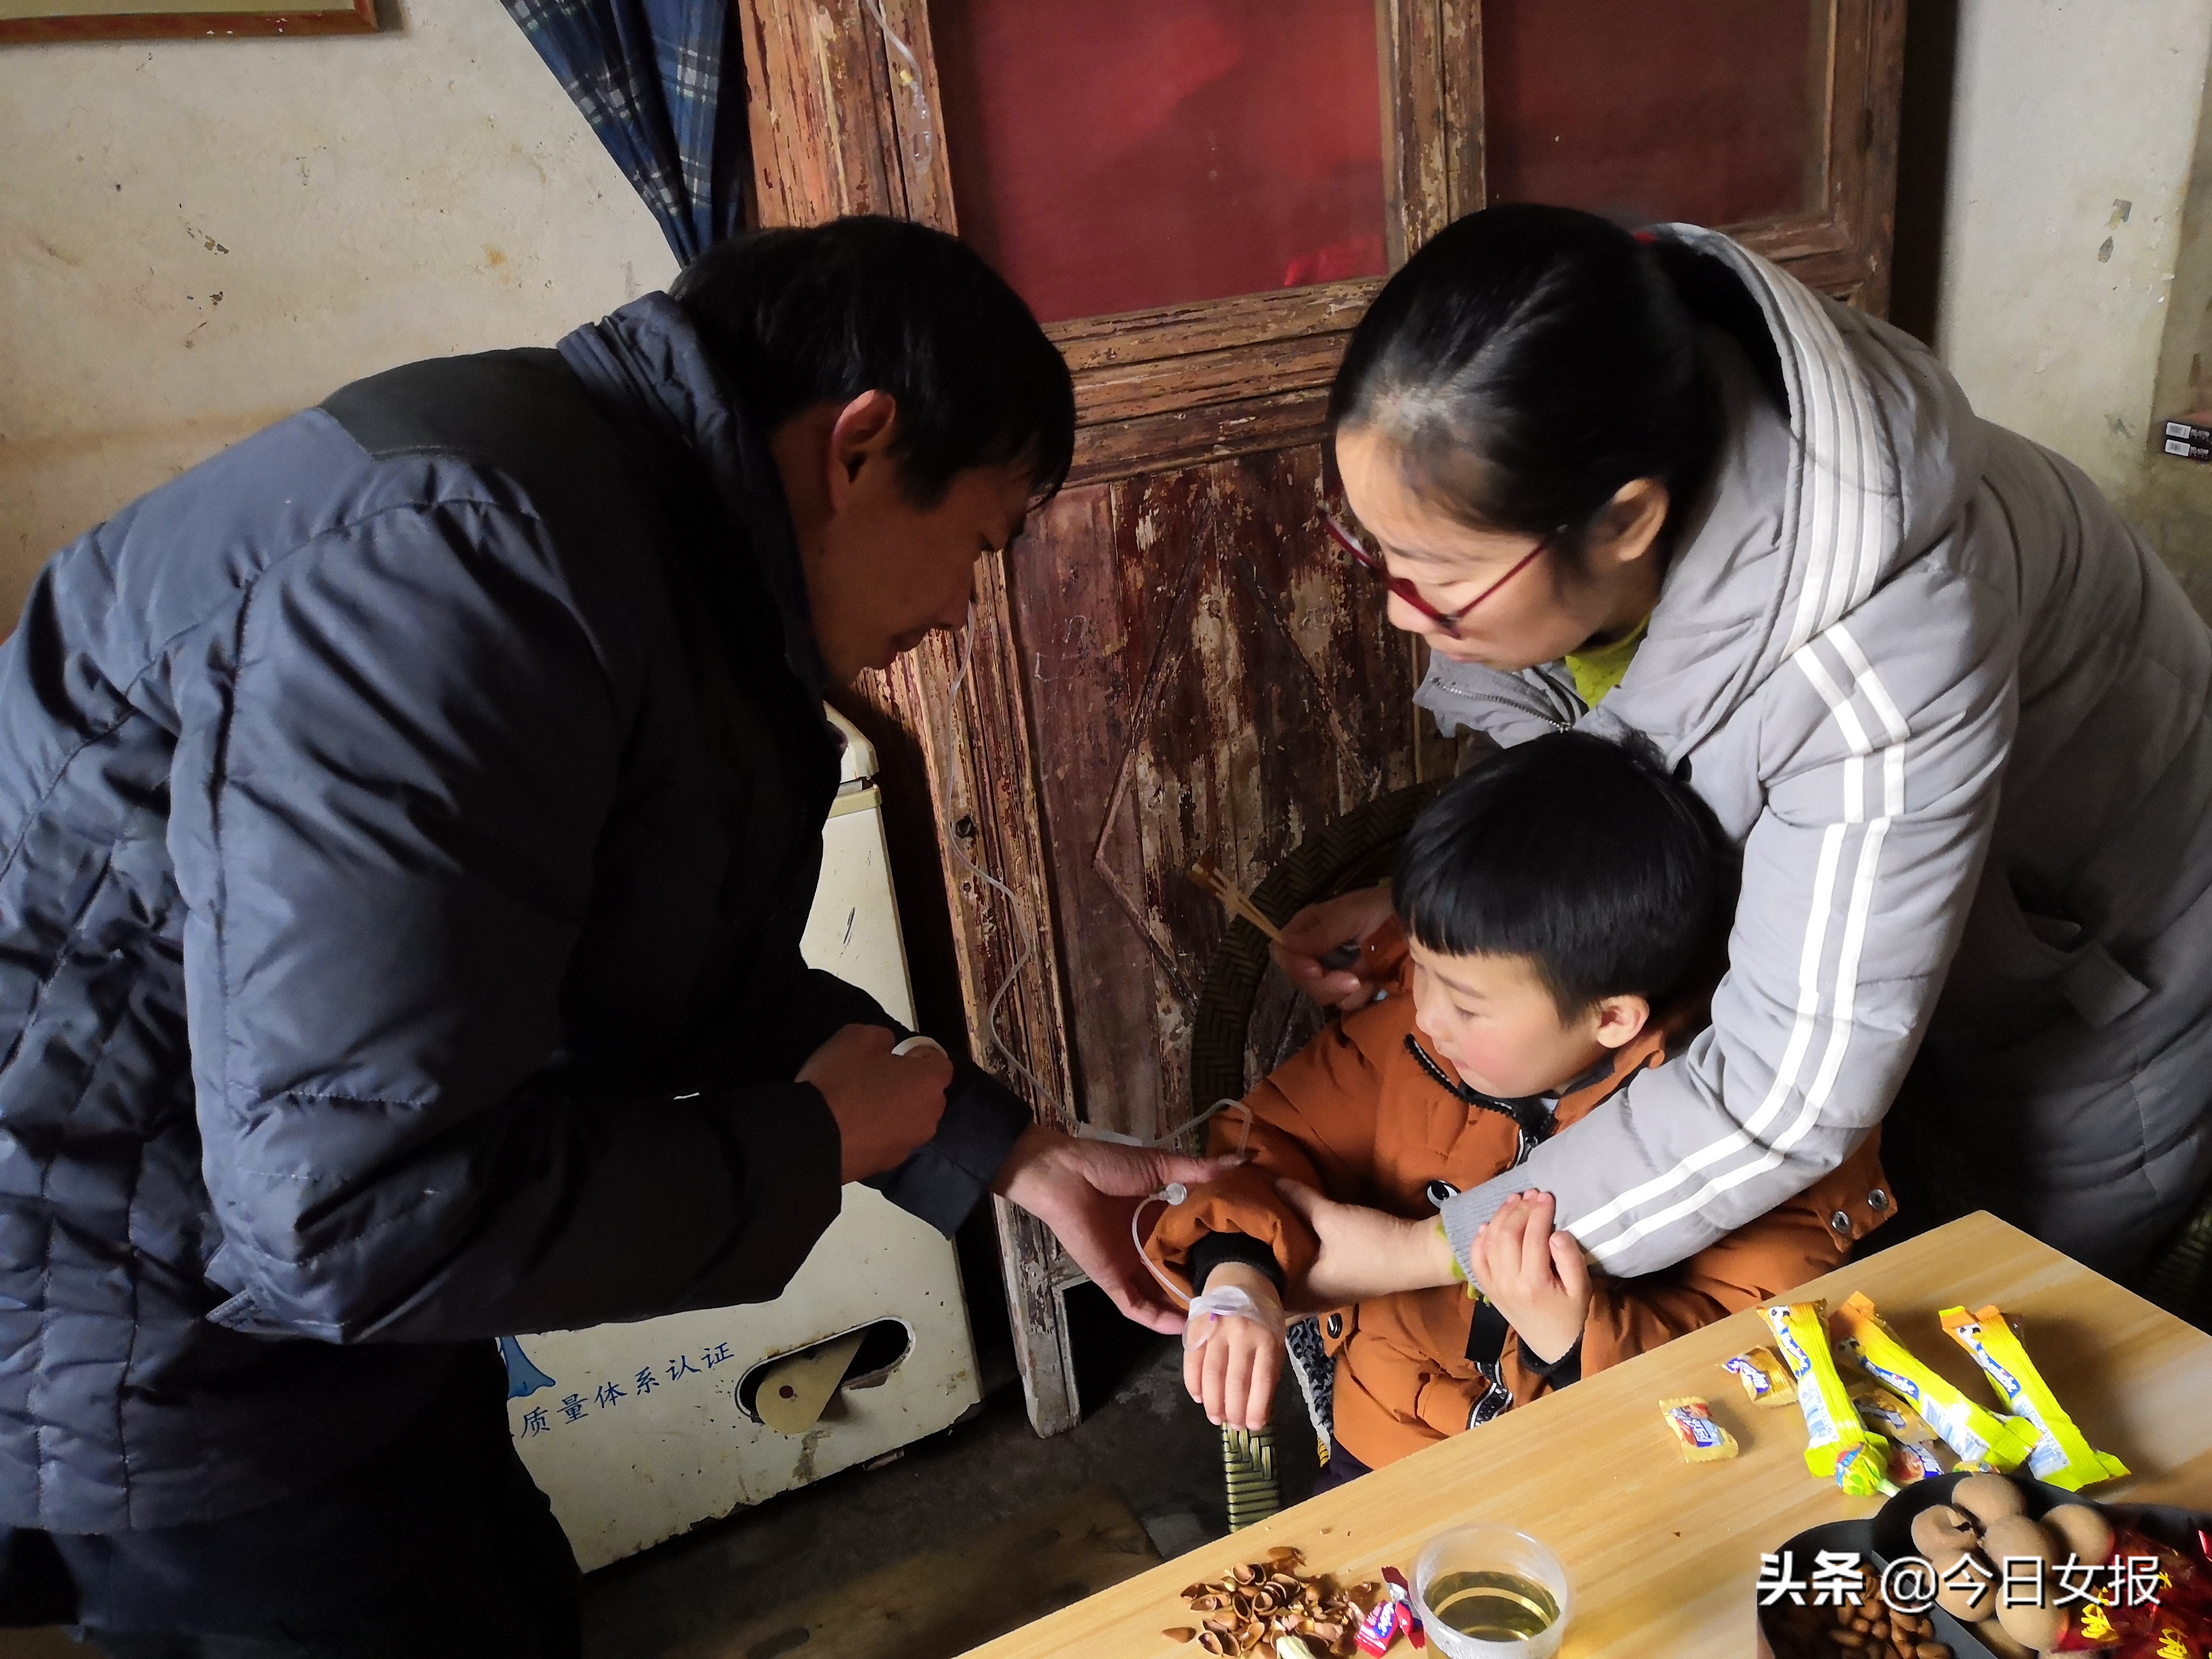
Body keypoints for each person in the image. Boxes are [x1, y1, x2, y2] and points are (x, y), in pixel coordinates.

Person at [0, 216, 1224, 1658]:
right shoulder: (463, 576)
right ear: (861, 445)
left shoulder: (630, 535)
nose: (961, 610)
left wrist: (1003, 1151)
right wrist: (812, 1144)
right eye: (979, 544)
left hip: (301, 1301)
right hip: (154, 1338)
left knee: (508, 1596)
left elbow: (662, 956)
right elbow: (352, 1218)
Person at [1268, 204, 2212, 1318]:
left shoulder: (1890, 645)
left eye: (1438, 570)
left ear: (1624, 523)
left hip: (2082, 998)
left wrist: (1427, 1252)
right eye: (1372, 546)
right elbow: (1626, 795)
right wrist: (1460, 921)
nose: (1397, 608)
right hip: (1883, 989)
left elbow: (1784, 1094)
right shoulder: (1616, 416)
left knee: (2003, 1343)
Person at [1145, 733, 1893, 1485]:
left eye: (1465, 1002)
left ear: (1613, 1020)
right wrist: (1237, 1270)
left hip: (1588, 1473)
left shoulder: (1753, 1131)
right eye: (1420, 968)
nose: (1427, 1014)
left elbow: (1753, 1358)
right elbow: (1259, 1143)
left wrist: (1573, 1337)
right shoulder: (1414, 1034)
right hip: (1380, 1438)